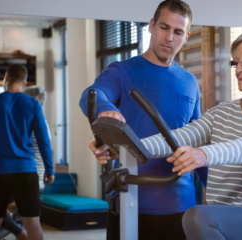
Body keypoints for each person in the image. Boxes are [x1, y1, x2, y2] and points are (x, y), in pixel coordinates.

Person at [95, 27, 242, 240]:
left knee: (196, 216)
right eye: (236, 62)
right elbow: (181, 136)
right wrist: (127, 147)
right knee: (198, 219)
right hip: (221, 220)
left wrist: (203, 154)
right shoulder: (222, 112)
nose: (239, 69)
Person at [80, 1, 206, 239]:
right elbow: (92, 95)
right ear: (151, 26)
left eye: (178, 32)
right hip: (130, 200)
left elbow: (200, 139)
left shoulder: (189, 81)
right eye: (164, 27)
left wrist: (221, 193)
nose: (169, 37)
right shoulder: (122, 71)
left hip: (180, 206)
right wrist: (107, 110)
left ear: (186, 37)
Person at [0, 64, 54, 240]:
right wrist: (49, 170)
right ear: (24, 82)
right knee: (33, 223)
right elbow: (44, 141)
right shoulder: (33, 104)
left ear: (5, 78)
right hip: (25, 171)